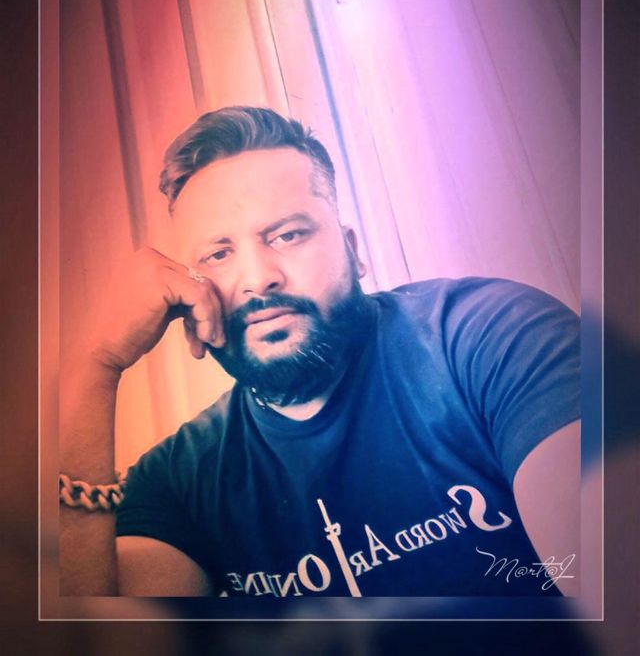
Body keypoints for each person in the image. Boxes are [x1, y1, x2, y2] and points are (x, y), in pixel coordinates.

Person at [60, 106, 580, 598]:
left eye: (288, 235)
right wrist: (94, 364)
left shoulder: (492, 336)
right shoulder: (181, 481)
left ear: (354, 250)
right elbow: (87, 638)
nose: (258, 277)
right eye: (218, 254)